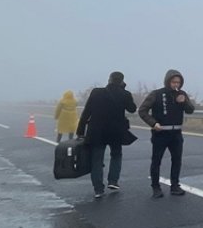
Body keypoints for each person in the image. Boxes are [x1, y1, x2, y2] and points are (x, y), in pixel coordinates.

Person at [77, 72, 138, 198]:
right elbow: (132, 109)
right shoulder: (125, 94)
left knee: (97, 160)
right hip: (116, 131)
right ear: (122, 81)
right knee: (116, 155)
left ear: (109, 80)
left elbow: (86, 111)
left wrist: (80, 131)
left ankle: (98, 189)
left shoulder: (96, 92)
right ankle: (113, 181)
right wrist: (123, 90)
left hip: (97, 131)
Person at [138, 69, 195, 198]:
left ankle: (175, 185)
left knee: (177, 160)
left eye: (178, 82)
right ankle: (155, 187)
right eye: (174, 82)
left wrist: (184, 101)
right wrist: (153, 123)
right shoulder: (156, 94)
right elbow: (142, 110)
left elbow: (190, 110)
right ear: (168, 81)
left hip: (176, 133)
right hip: (160, 133)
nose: (176, 85)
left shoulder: (182, 94)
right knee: (156, 160)